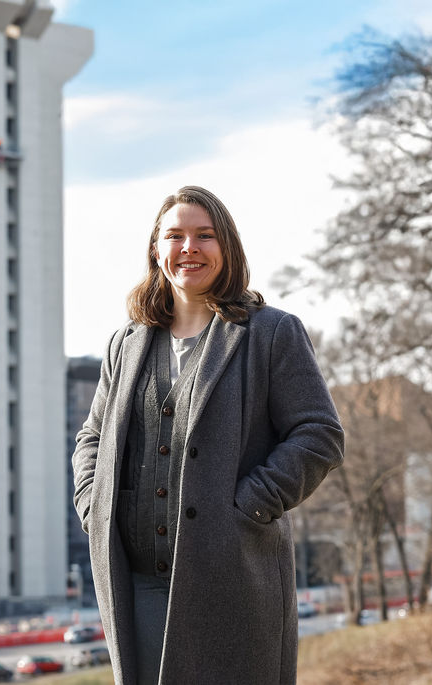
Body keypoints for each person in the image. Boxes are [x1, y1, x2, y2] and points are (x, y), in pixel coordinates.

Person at [71, 185, 344, 685]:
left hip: (232, 579)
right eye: (175, 235)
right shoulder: (125, 343)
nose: (189, 247)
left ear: (227, 249)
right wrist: (94, 504)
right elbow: (92, 438)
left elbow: (319, 433)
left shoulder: (271, 333)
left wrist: (250, 505)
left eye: (205, 235)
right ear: (157, 249)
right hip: (138, 587)